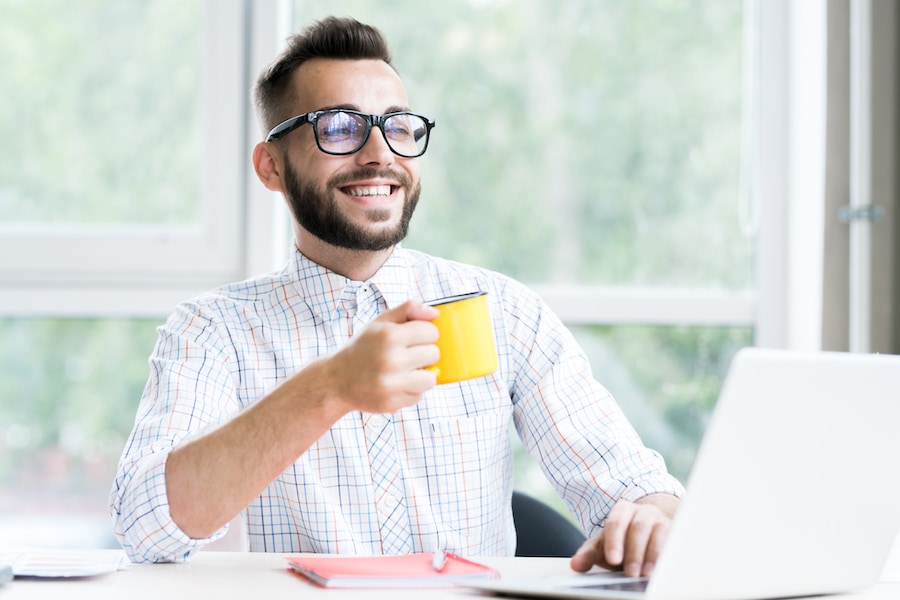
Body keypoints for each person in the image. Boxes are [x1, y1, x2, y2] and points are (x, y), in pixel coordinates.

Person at [110, 16, 684, 576]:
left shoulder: (503, 311)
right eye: (338, 127)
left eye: (399, 126)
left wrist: (652, 518)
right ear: (271, 167)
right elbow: (145, 526)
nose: (380, 153)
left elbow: (635, 489)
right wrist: (331, 386)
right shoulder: (213, 330)